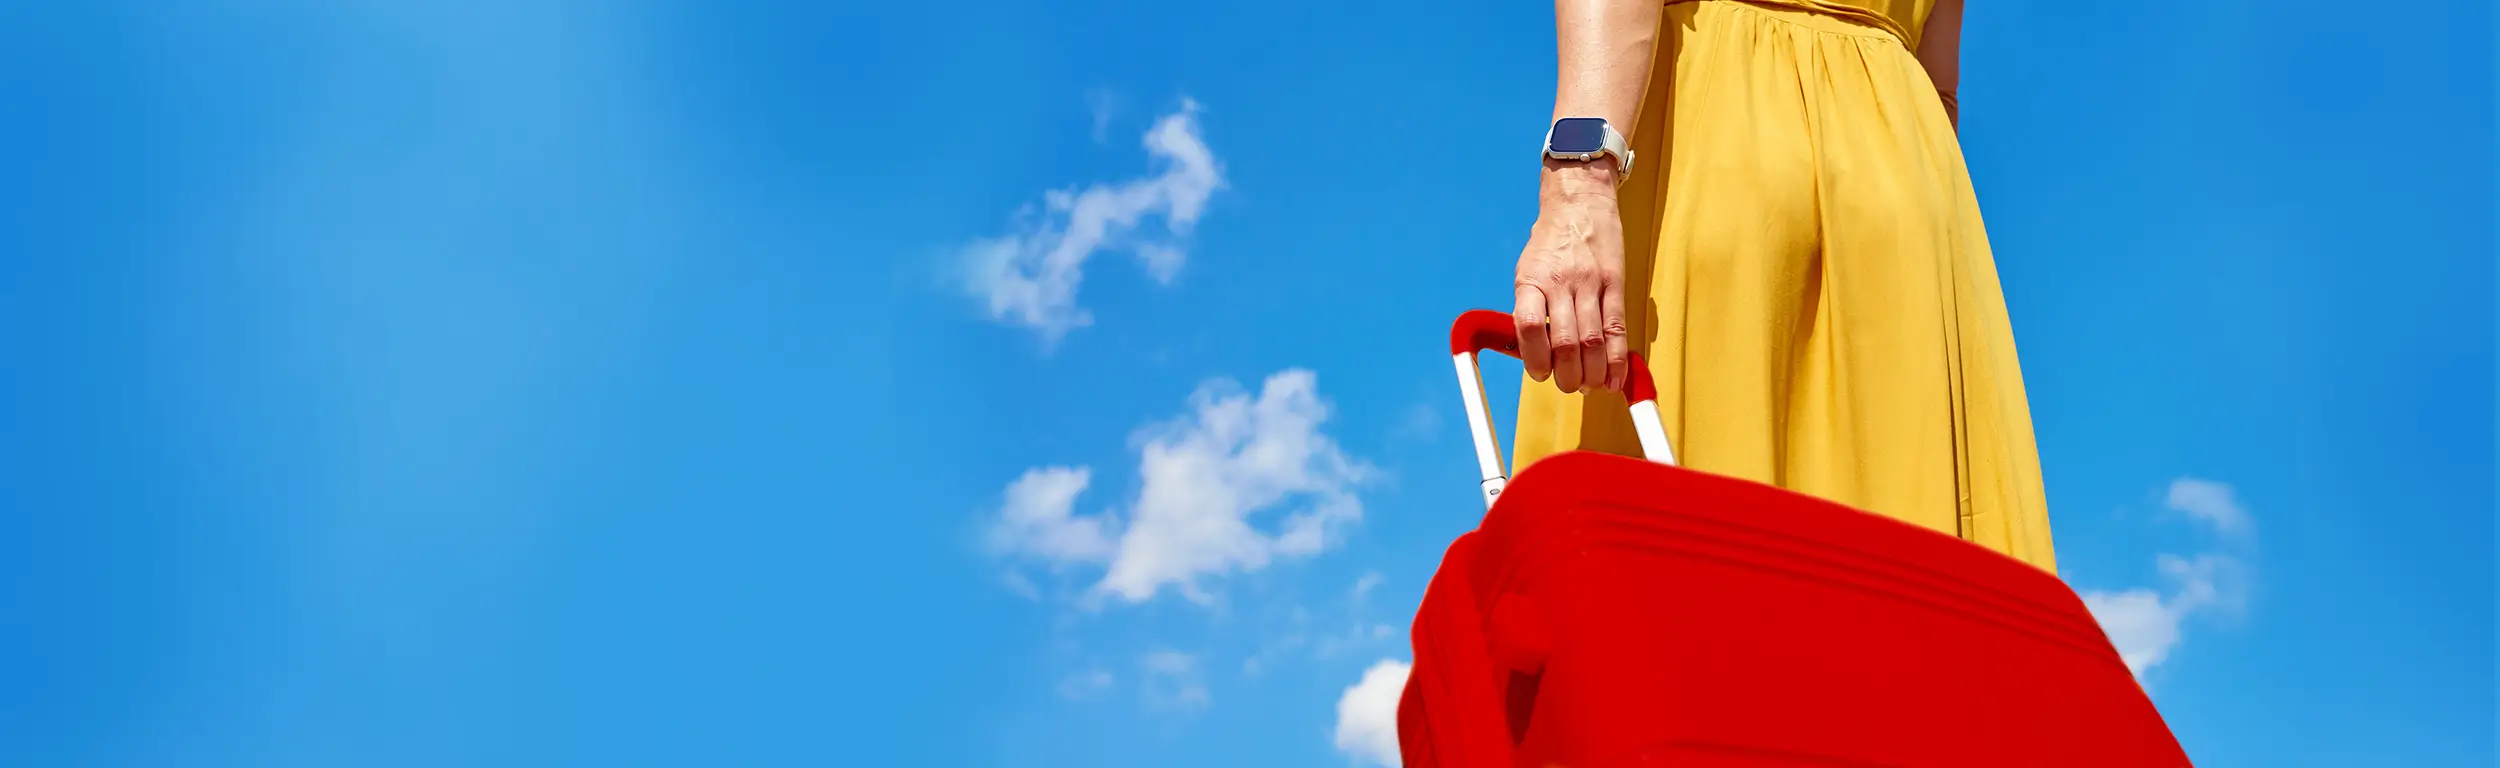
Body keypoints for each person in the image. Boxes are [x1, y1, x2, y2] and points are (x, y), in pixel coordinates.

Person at [1508, 0, 2056, 572]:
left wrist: (1579, 186)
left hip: (1723, 143)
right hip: (1905, 184)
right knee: (1908, 556)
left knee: (1685, 558)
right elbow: (1939, 84)